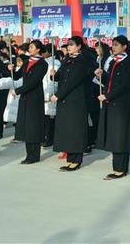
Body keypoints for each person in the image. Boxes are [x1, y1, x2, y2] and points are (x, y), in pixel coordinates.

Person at [96, 35, 130, 180]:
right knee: (114, 135)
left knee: (120, 136)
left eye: (117, 45)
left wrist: (107, 96)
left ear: (124, 47)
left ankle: (120, 169)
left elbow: (124, 85)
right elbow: (112, 81)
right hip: (112, 104)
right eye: (112, 45)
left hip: (122, 105)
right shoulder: (113, 62)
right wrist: (103, 75)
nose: (113, 47)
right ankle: (117, 167)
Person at [50, 36, 91, 171]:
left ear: (79, 46)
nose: (69, 47)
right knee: (67, 130)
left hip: (75, 100)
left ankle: (77, 160)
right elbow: (61, 77)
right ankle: (70, 158)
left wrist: (58, 95)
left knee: (75, 129)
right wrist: (54, 75)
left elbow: (73, 81)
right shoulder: (67, 59)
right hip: (65, 100)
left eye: (72, 44)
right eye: (68, 45)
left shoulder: (82, 60)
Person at [11, 40, 49, 164]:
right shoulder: (27, 61)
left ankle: (34, 155)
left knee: (34, 125)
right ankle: (29, 154)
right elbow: (16, 75)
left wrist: (18, 90)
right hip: (25, 96)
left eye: (32, 47)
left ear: (38, 49)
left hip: (35, 97)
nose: (30, 48)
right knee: (27, 125)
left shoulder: (42, 64)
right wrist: (10, 69)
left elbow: (34, 82)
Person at [41, 43, 60, 148]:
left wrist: (51, 93)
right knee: (46, 117)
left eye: (44, 51)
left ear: (48, 52)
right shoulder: (45, 62)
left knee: (50, 118)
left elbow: (54, 80)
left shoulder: (55, 63)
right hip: (44, 91)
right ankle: (46, 137)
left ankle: (49, 139)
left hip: (50, 93)